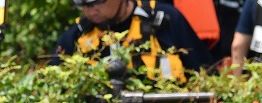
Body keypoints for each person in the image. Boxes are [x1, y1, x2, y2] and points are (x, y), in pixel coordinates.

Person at [54, 0, 214, 82]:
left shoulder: (163, 20)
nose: (91, 10)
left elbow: (206, 74)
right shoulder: (78, 36)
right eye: (82, 4)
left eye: (98, 2)